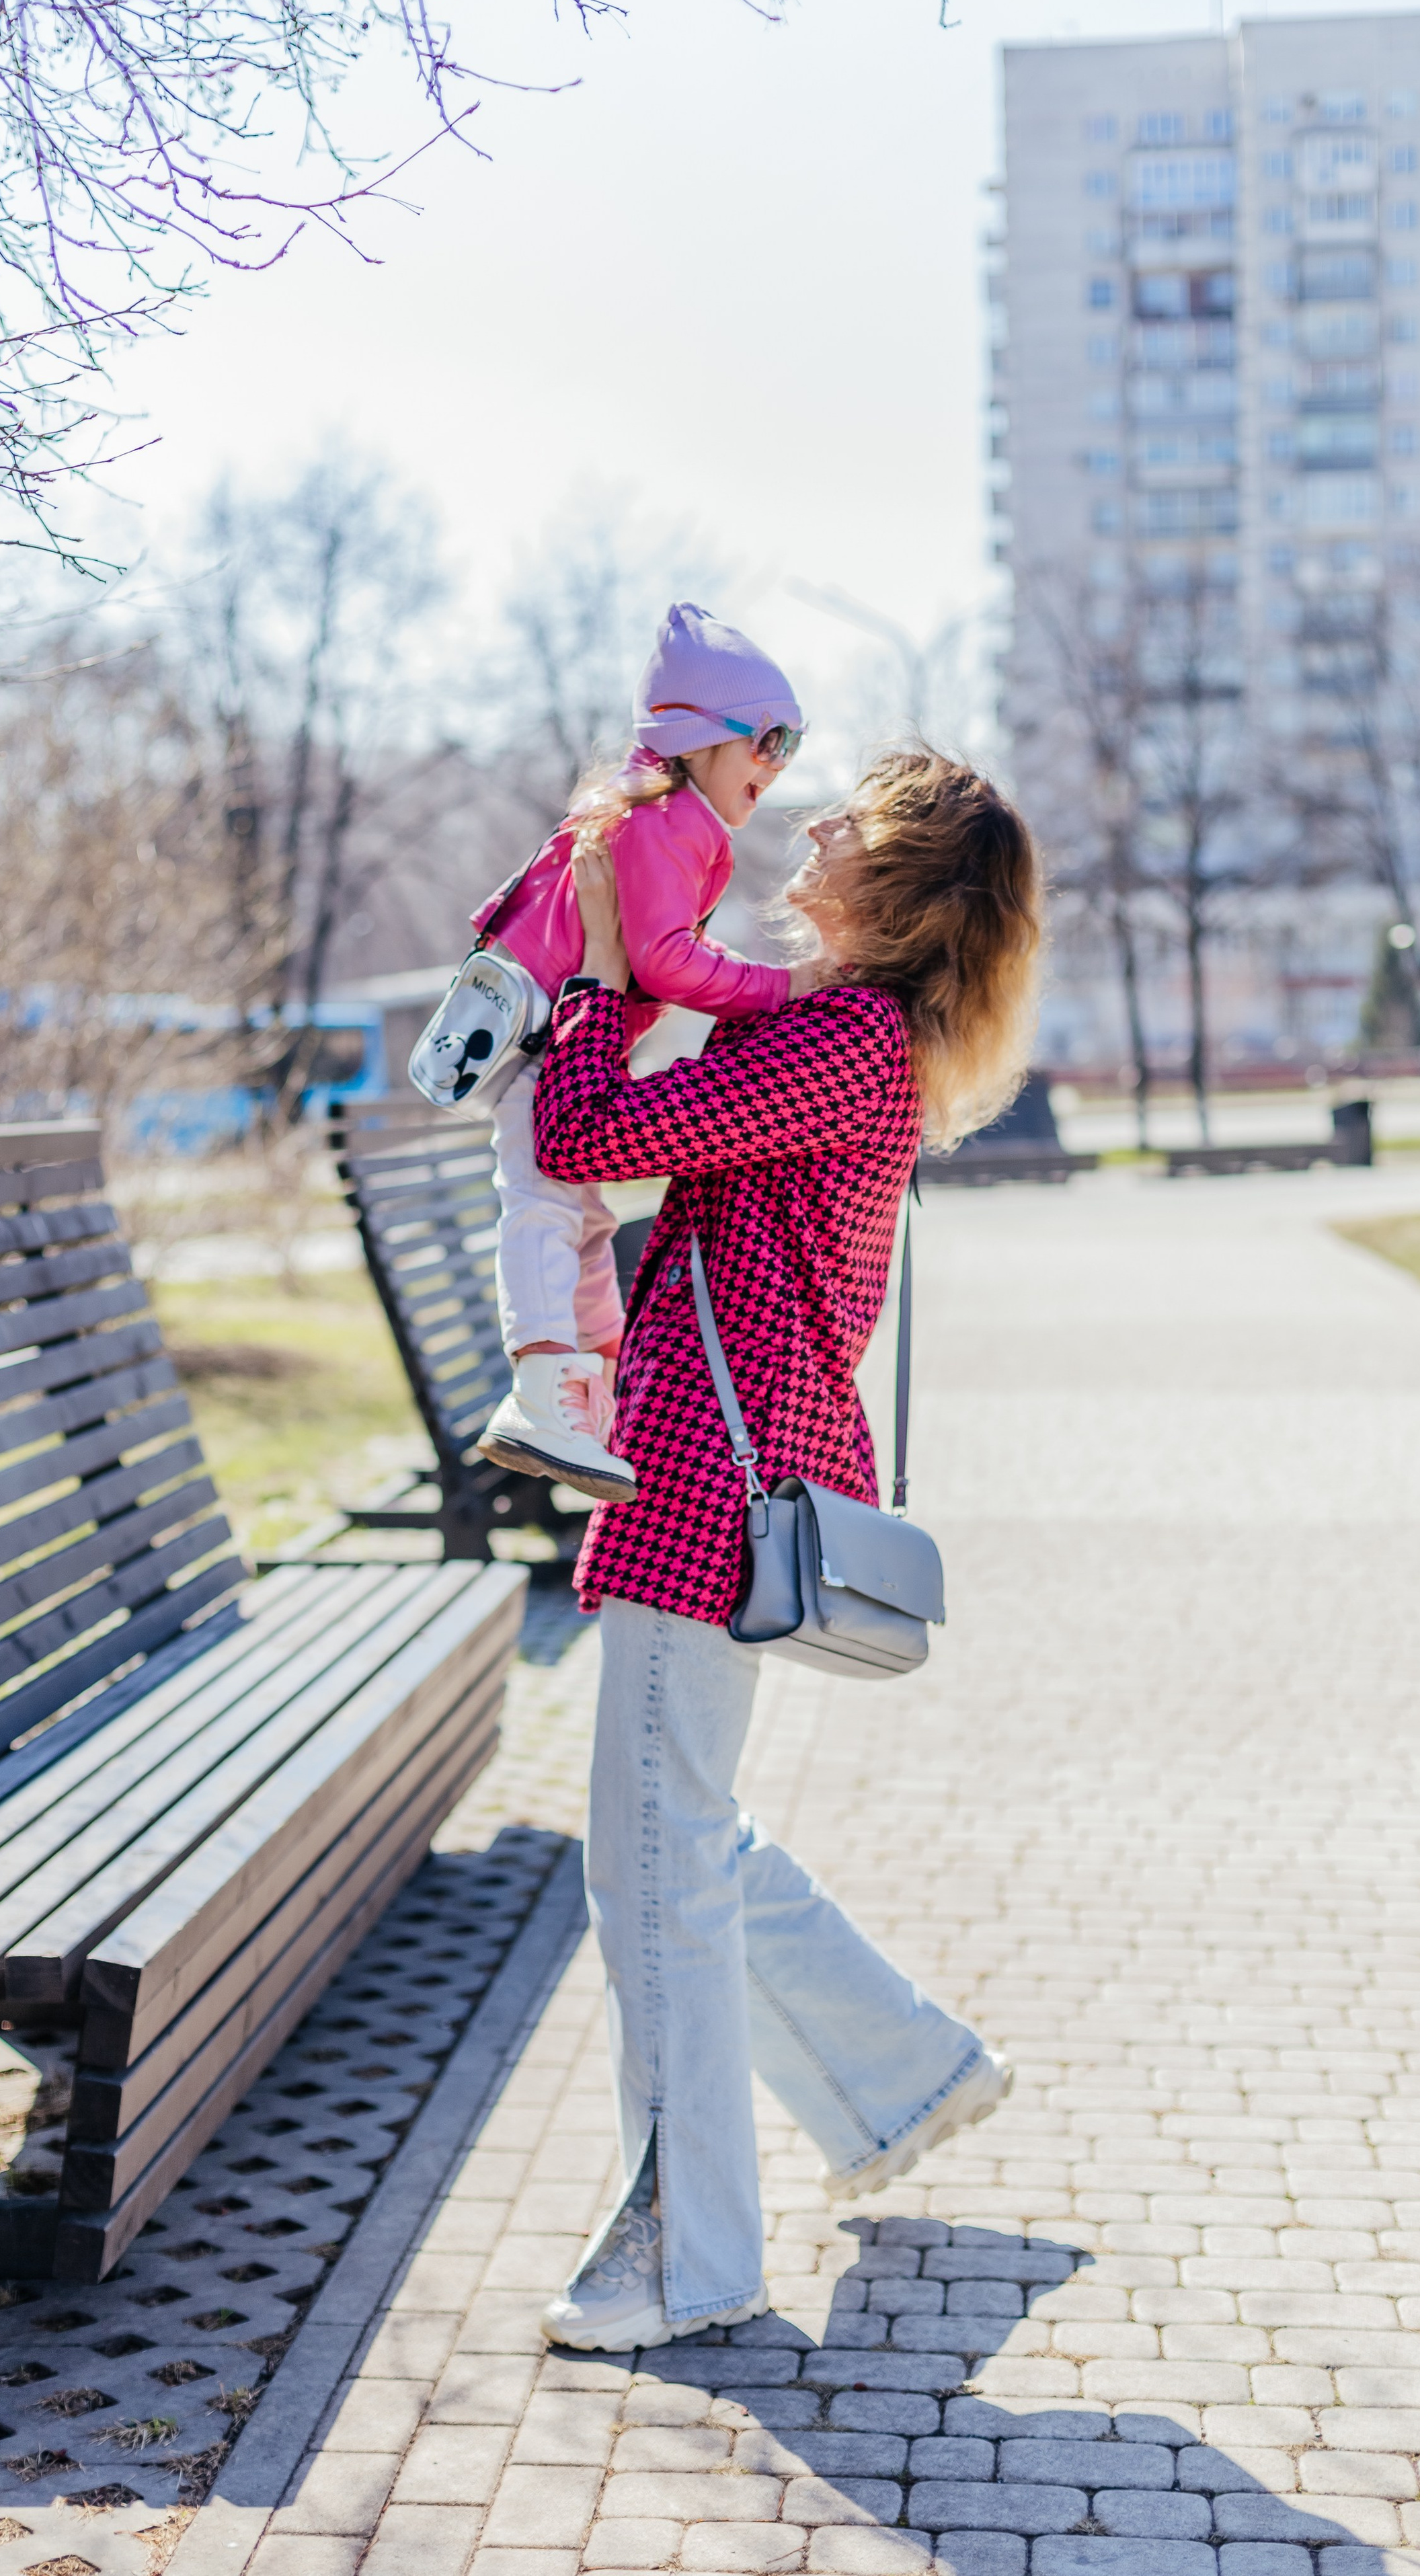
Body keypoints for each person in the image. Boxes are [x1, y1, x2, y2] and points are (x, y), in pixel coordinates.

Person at [527, 747, 1043, 2353]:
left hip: (708, 1482)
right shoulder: (840, 1034)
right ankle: (897, 2075)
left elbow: (583, 1132)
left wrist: (601, 964)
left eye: (848, 828)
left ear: (891, 893)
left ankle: (688, 2257)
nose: (808, 828)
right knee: (681, 1836)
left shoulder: (835, 1038)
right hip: (716, 1473)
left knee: (655, 1862)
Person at [473, 602, 810, 1506]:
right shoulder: (665, 817)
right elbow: (663, 957)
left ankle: (589, 1396)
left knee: (579, 1219)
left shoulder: (668, 814)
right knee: (545, 1202)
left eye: (792, 747)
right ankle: (543, 1384)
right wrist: (779, 989)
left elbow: (656, 957)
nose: (778, 767)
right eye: (770, 741)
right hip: (544, 1035)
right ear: (703, 736)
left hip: (560, 1034)